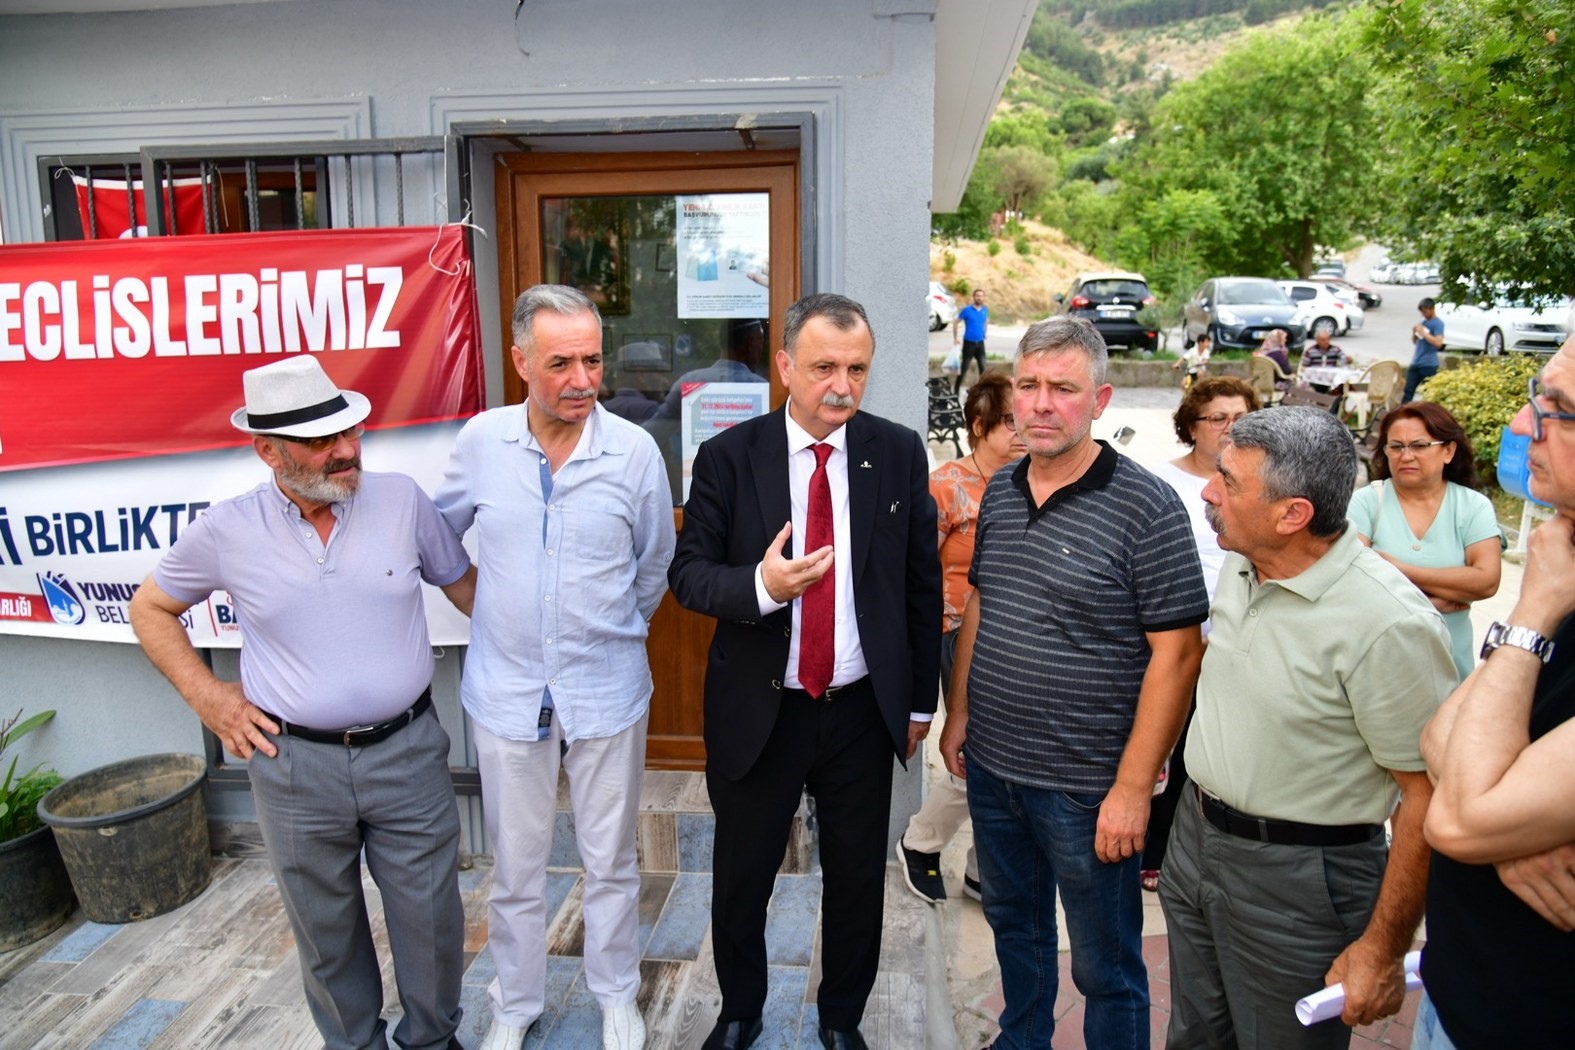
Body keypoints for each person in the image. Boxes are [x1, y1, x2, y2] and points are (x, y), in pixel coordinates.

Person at [127, 356, 477, 1050]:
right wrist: (210, 698)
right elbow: (150, 608)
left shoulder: (402, 501)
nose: (346, 450)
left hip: (407, 751)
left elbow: (467, 590)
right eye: (321, 441)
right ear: (268, 451)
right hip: (293, 767)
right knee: (324, 930)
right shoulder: (227, 530)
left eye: (350, 431)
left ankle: (433, 1042)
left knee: (432, 918)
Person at [668, 292, 941, 1050]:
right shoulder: (729, 456)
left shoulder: (895, 452)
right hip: (764, 711)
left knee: (856, 880)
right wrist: (762, 586)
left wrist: (920, 703)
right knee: (742, 876)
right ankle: (740, 1011)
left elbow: (920, 585)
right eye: (824, 368)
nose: (842, 387)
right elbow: (688, 575)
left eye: (856, 369)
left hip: (860, 709)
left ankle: (841, 1017)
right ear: (785, 365)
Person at [938, 316, 1208, 1050]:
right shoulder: (1000, 490)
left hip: (1086, 788)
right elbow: (982, 602)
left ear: (1100, 399)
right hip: (994, 770)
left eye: (1062, 388)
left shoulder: (1147, 506)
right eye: (1028, 385)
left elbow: (1179, 655)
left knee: (1104, 964)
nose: (1040, 404)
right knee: (1014, 930)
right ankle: (1019, 1040)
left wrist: (1133, 788)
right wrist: (959, 712)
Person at [1161, 407, 1457, 1050]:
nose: (1208, 492)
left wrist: (1382, 946)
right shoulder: (1245, 560)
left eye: (1228, 481)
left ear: (1292, 514)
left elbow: (1427, 796)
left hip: (1301, 880)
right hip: (1194, 836)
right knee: (1194, 1036)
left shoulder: (1389, 623)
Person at [435, 285, 675, 1050]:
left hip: (607, 688)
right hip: (506, 689)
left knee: (610, 859)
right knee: (516, 865)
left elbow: (654, 563)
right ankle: (514, 1001)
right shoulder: (482, 442)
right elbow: (438, 540)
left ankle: (615, 994)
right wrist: (487, 606)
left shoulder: (632, 452)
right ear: (520, 361)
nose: (582, 380)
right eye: (560, 363)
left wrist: (610, 629)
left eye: (593, 361)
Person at [1412, 335, 1575, 1049]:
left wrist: (1532, 611)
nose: (1520, 422)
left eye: (1557, 407)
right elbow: (1438, 740)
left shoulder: (1551, 589)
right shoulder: (1564, 567)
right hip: (1458, 993)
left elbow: (1456, 822)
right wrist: (1511, 831)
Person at [896, 372, 1024, 904]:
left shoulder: (1031, 481)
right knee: (974, 751)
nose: (1023, 431)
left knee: (1009, 757)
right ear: (979, 426)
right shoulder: (947, 485)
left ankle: (979, 868)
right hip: (956, 635)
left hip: (1017, 636)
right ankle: (921, 842)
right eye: (1010, 421)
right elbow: (914, 571)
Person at [1139, 376, 1260, 894]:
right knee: (1169, 743)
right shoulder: (1159, 482)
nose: (1230, 427)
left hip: (1241, 640)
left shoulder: (1263, 481)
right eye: (1218, 418)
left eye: (1241, 418)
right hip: (1176, 638)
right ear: (1191, 426)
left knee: (1221, 749)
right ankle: (1154, 849)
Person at [1348, 402, 1502, 680]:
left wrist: (1400, 570)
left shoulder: (1473, 506)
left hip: (1450, 666)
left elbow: (1487, 580)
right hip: (1377, 666)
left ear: (1448, 451)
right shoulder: (1366, 502)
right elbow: (1353, 582)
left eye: (1419, 445)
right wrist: (1432, 605)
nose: (1406, 456)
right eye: (1396, 447)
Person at [1404, 297, 1445, 403]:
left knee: (1428, 393)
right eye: (1422, 312)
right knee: (1408, 391)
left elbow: (1438, 343)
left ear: (1432, 309)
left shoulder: (1438, 324)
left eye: (1425, 312)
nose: (1423, 315)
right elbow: (1415, 341)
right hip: (1416, 362)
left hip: (1429, 364)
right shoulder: (1423, 322)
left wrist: (1424, 333)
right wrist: (1414, 333)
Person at [952, 288, 989, 395]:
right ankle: (956, 390)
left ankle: (982, 391)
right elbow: (956, 322)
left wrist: (985, 332)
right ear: (973, 297)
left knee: (983, 369)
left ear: (983, 297)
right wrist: (955, 338)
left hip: (980, 344)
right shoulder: (967, 310)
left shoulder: (985, 309)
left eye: (981, 296)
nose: (979, 298)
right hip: (969, 344)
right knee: (964, 368)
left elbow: (985, 321)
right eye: (977, 296)